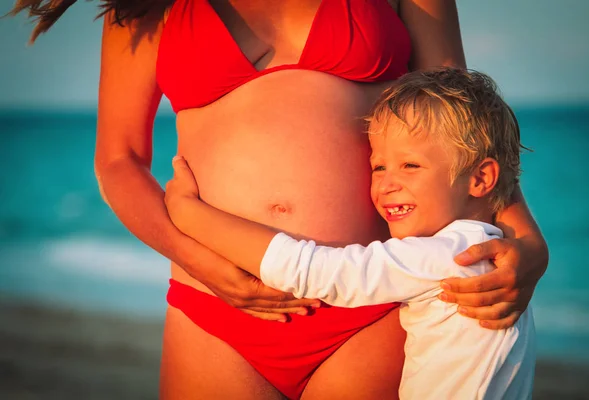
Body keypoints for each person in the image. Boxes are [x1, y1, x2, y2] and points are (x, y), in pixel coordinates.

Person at [12, 1, 548, 399]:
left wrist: (528, 239)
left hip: (366, 306)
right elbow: (118, 160)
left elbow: (464, 120)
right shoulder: (143, 6)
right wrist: (198, 258)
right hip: (214, 309)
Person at [164, 68, 537, 399]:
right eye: (378, 166)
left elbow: (315, 270)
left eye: (410, 165)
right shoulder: (487, 256)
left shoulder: (452, 257)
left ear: (480, 178)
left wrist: (189, 214)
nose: (387, 184)